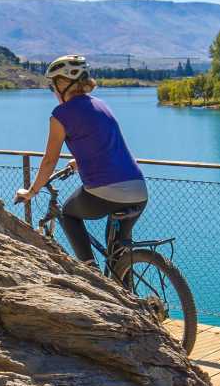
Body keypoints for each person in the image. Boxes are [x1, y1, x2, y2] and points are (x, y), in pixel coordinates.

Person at [14, 55, 148, 271]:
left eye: (53, 86)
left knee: (67, 214)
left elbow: (49, 161)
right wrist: (79, 160)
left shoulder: (61, 114)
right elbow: (106, 144)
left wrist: (31, 192)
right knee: (118, 254)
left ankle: (90, 273)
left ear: (63, 84)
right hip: (139, 189)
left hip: (106, 192)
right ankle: (126, 291)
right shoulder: (101, 105)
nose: (53, 92)